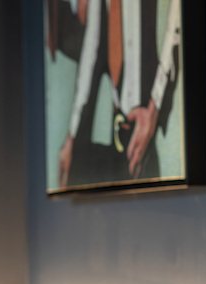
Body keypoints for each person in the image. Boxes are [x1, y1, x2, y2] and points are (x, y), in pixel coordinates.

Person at [54, 0, 181, 188]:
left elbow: (178, 17)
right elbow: (91, 43)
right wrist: (72, 136)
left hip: (143, 130)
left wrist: (154, 108)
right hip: (115, 133)